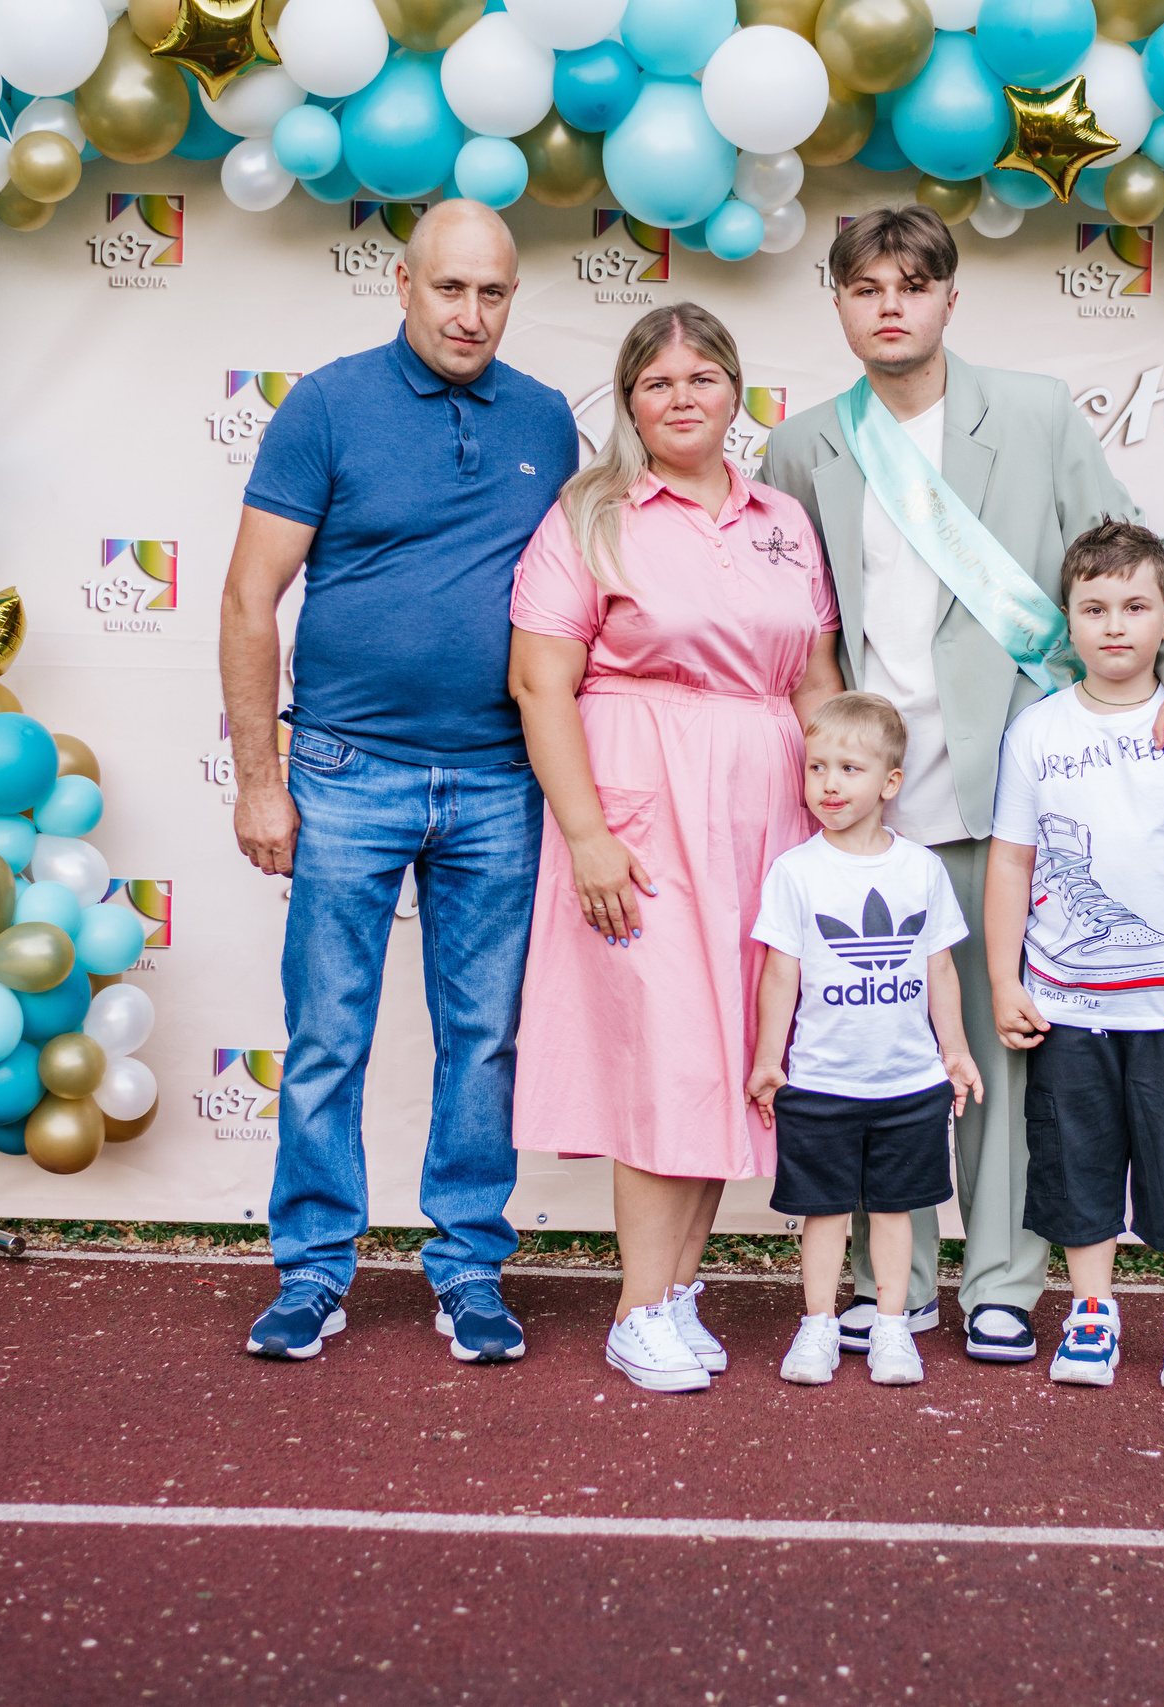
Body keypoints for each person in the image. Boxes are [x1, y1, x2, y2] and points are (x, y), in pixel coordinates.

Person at [758, 203, 1164, 1366]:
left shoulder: (1029, 413)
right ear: (836, 303)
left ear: (946, 300)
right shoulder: (803, 445)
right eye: (864, 286)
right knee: (883, 1049)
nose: (889, 305)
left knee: (1005, 1046)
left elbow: (1126, 552)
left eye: (911, 285)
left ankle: (1003, 1276)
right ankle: (900, 1280)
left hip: (1012, 793)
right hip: (871, 799)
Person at [219, 201, 579, 1364]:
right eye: (450, 289)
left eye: (494, 293)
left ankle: (469, 1268)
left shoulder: (543, 420)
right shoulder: (324, 405)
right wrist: (259, 781)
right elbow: (246, 601)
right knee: (326, 1032)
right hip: (343, 768)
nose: (471, 314)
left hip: (496, 780)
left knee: (482, 1039)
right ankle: (314, 1271)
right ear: (402, 282)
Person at [508, 303, 845, 1394]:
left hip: (764, 813)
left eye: (703, 376)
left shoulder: (785, 518)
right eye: (657, 383)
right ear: (629, 402)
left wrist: (837, 826)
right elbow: (539, 682)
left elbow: (814, 681)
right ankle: (637, 1308)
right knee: (664, 1057)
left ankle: (678, 1289)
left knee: (725, 1060)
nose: (682, 396)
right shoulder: (587, 516)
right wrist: (588, 834)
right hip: (640, 805)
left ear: (735, 390)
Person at [985, 520, 1164, 1391]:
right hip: (1068, 1005)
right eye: (1094, 606)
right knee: (1076, 1158)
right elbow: (1011, 859)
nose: (1115, 624)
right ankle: (1093, 1309)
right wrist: (1004, 977)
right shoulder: (1037, 731)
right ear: (1067, 622)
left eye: (1136, 606)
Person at [745, 692, 983, 1388]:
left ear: (889, 783)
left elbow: (939, 967)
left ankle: (891, 1326)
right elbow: (779, 973)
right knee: (823, 1214)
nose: (828, 783)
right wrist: (768, 1058)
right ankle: (817, 1324)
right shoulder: (796, 871)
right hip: (820, 1083)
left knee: (893, 1210)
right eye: (817, 766)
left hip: (908, 1085)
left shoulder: (920, 870)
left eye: (849, 768)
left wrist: (956, 1049)